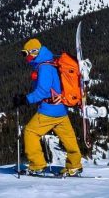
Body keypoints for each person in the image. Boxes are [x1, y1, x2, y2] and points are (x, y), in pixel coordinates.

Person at [14, 38, 83, 177]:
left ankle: (37, 165)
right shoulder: (51, 63)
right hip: (61, 110)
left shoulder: (44, 67)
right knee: (69, 139)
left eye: (25, 53)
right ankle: (74, 165)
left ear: (34, 52)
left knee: (30, 132)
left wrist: (25, 99)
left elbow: (43, 91)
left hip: (49, 110)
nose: (25, 57)